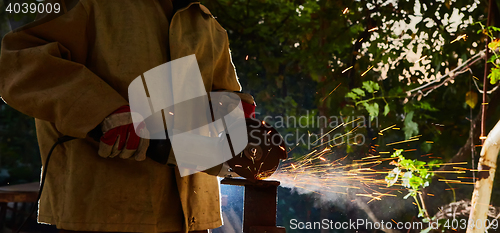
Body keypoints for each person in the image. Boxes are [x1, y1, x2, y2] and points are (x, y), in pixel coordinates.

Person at [0, 0, 243, 232]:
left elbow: (221, 93)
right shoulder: (93, 4)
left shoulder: (202, 19)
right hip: (103, 211)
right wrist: (103, 110)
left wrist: (241, 118)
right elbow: (19, 64)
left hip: (192, 215)